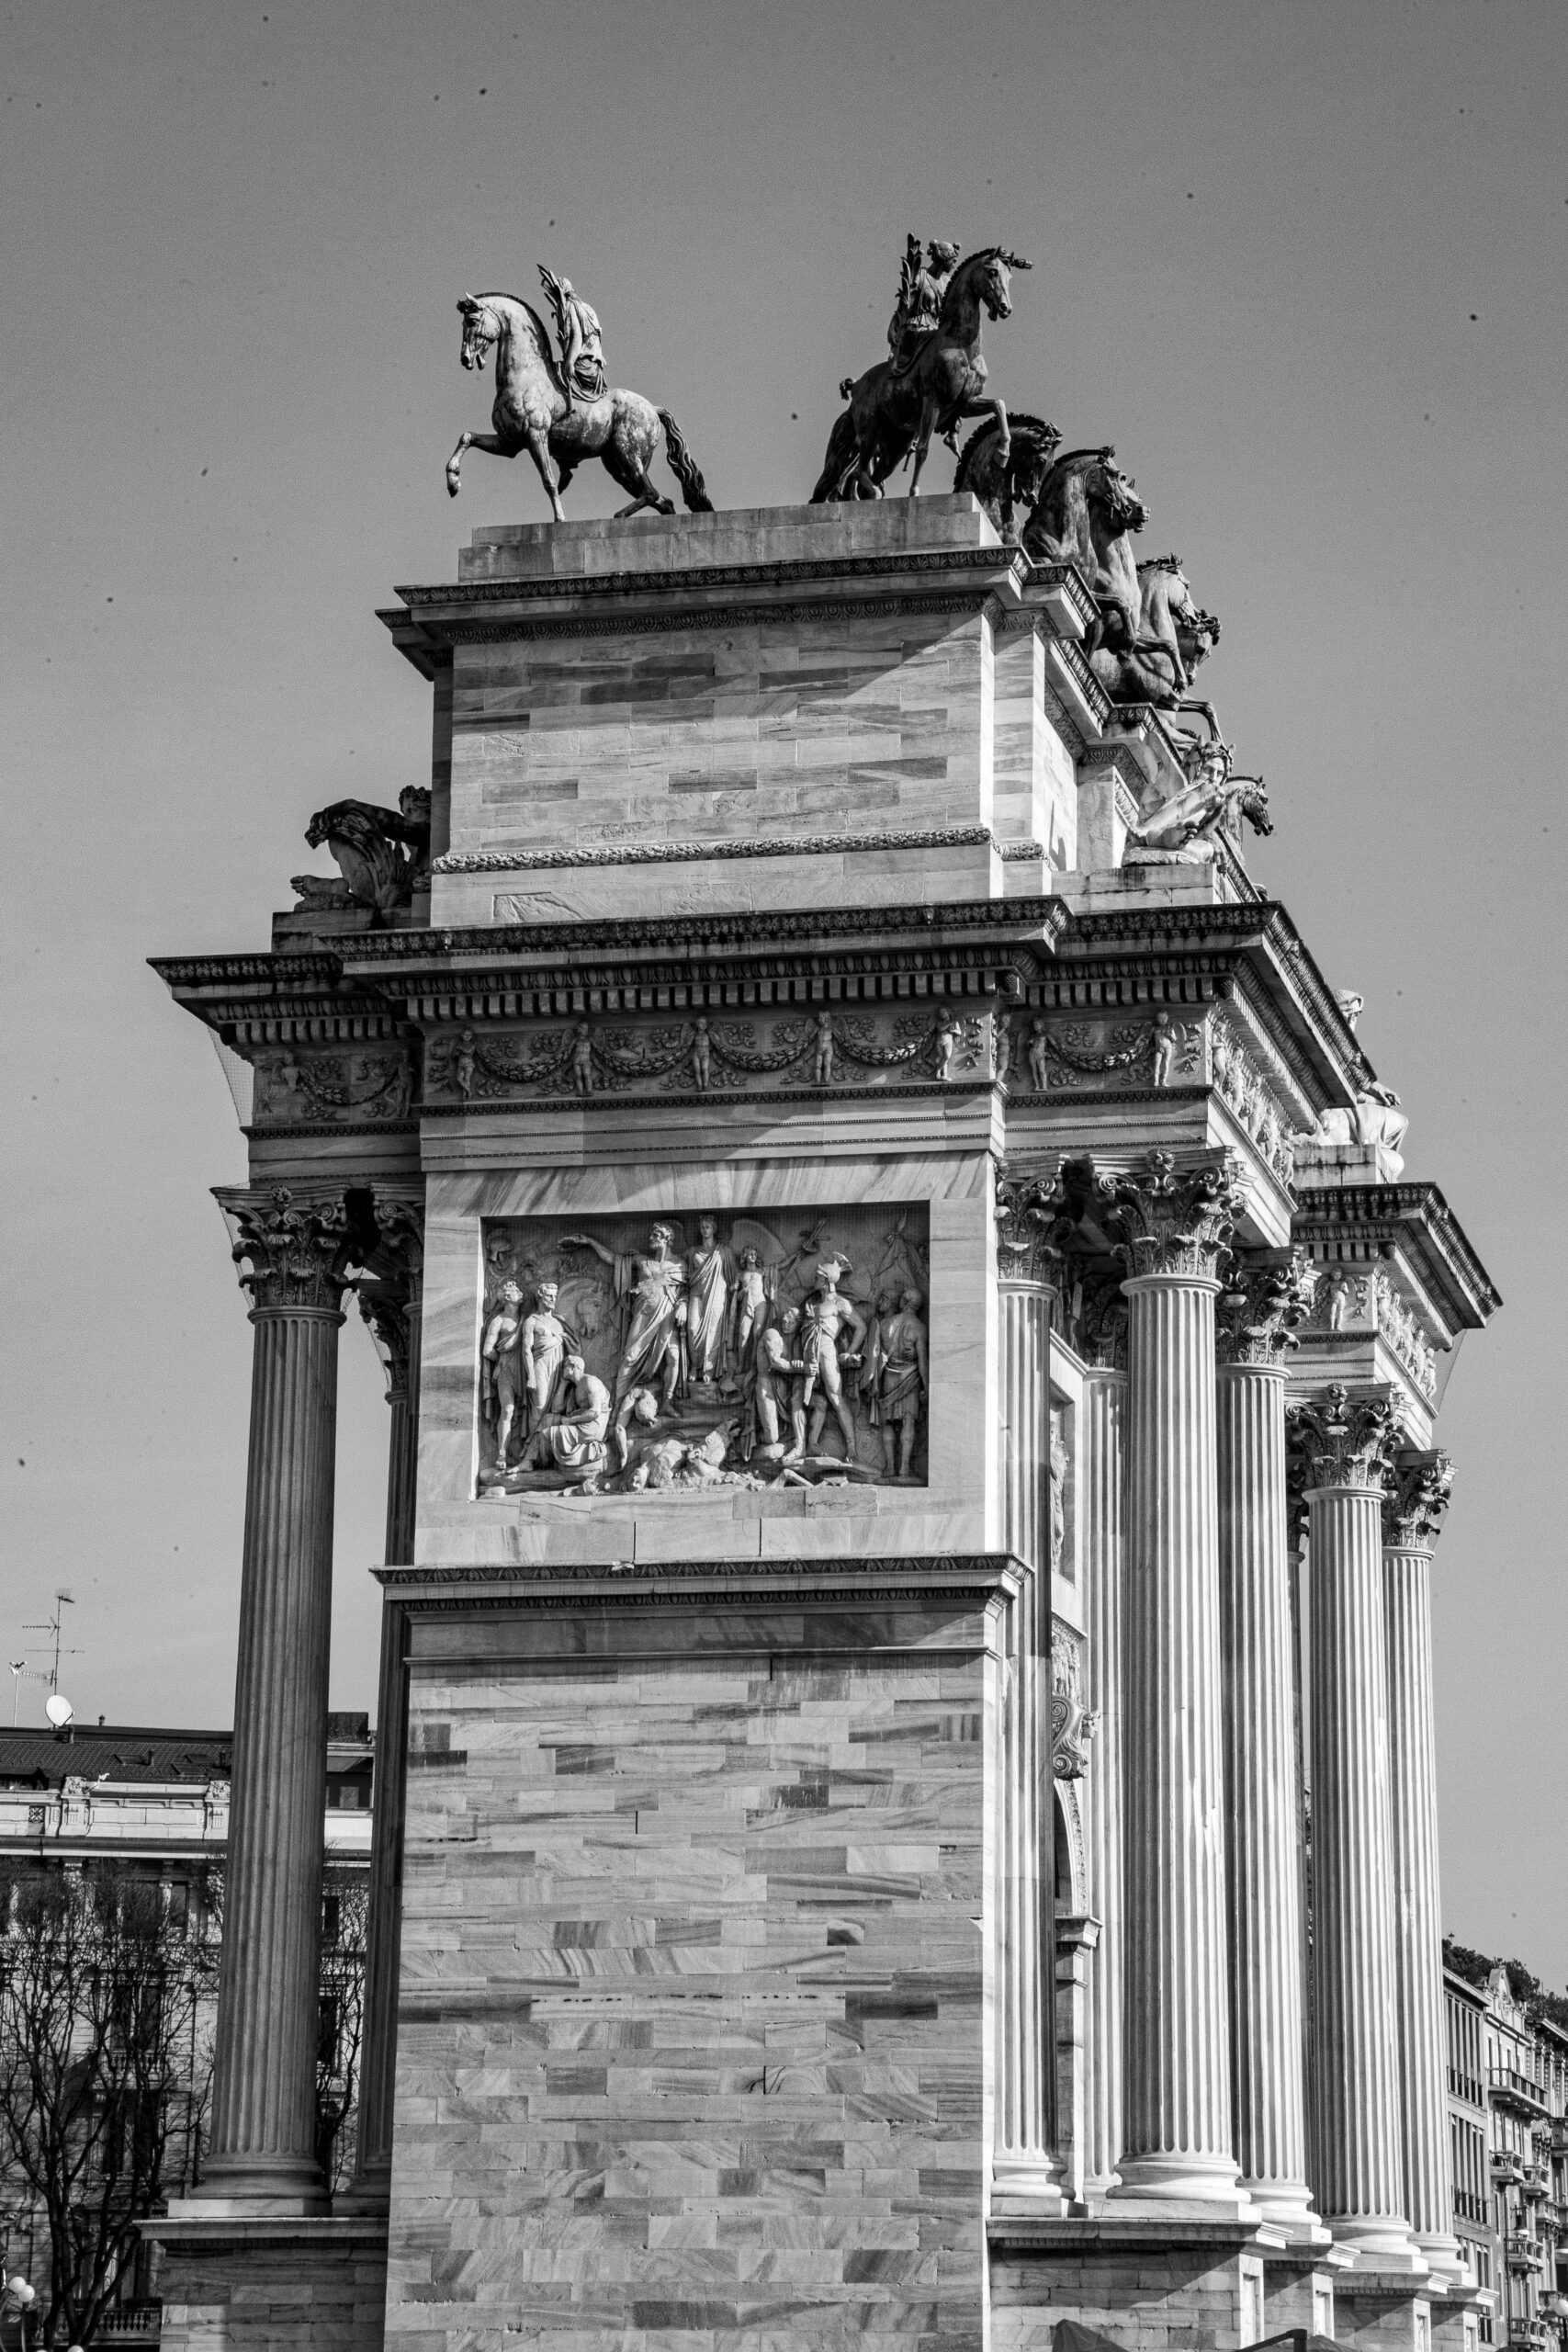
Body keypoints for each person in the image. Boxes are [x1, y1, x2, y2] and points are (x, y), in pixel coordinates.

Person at [561, 1224, 688, 1406]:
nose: (651, 1238)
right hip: (643, 1315)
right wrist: (589, 1242)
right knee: (629, 1357)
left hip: (667, 1316)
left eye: (655, 1235)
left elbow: (685, 1291)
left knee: (673, 1357)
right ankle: (617, 1405)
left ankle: (667, 1403)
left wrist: (683, 1304)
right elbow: (613, 1259)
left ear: (666, 1239)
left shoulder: (679, 1266)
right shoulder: (642, 1260)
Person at [795, 1260, 868, 1464]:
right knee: (804, 1398)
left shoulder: (839, 1303)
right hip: (807, 1353)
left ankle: (851, 1445)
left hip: (826, 1351)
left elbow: (861, 1327)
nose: (814, 1279)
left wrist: (849, 1352)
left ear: (827, 1281)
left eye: (818, 1277)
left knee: (835, 1398)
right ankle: (808, 1444)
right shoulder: (813, 1303)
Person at [865, 1287, 929, 1479]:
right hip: (911, 1376)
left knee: (888, 1423)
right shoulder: (919, 1327)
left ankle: (890, 1467)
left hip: (889, 1377)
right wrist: (926, 1386)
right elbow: (922, 1361)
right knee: (908, 1420)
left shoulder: (886, 1324)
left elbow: (876, 1354)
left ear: (905, 1301)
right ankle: (904, 1469)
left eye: (901, 1298)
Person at [519, 1352, 611, 1477]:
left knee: (548, 1433)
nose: (563, 1370)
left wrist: (570, 1421)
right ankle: (527, 1461)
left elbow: (595, 1412)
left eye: (565, 1366)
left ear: (575, 1367)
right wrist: (563, 1383)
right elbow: (556, 1409)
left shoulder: (590, 1382)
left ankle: (538, 1462)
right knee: (548, 1419)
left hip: (592, 1427)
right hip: (581, 1422)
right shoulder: (574, 1387)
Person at [540, 267, 607, 410]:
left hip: (583, 366)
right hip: (596, 368)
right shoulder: (587, 307)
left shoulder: (571, 306)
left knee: (550, 374)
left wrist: (570, 362)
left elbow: (577, 337)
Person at [480, 1281, 527, 1468]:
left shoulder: (524, 1318)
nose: (520, 1293)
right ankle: (502, 1453)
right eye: (516, 1291)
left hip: (523, 1369)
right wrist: (501, 1359)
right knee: (508, 1410)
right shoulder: (498, 1321)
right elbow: (487, 1350)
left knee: (527, 1411)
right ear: (507, 1297)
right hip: (505, 1370)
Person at [751, 1306, 806, 1459]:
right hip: (766, 1385)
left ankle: (800, 1444)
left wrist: (798, 1364)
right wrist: (802, 1368)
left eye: (791, 1322)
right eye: (784, 1321)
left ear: (797, 1325)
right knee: (771, 1438)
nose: (786, 1325)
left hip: (783, 1387)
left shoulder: (794, 1343)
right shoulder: (772, 1334)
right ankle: (748, 1438)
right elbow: (775, 1362)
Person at [519, 1282, 572, 1439]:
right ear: (540, 1297)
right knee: (539, 1405)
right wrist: (531, 1376)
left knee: (557, 1406)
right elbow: (526, 1350)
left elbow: (572, 1345)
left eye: (555, 1296)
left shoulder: (559, 1321)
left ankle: (547, 1444)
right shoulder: (531, 1321)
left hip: (558, 1365)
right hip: (540, 1365)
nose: (553, 1299)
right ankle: (532, 1446)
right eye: (549, 1296)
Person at [685, 1216, 733, 1387]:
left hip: (717, 1294)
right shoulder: (692, 1251)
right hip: (696, 1292)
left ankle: (708, 1368)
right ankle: (694, 1365)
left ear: (714, 1229)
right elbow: (681, 1272)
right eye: (702, 1227)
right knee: (692, 1328)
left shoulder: (724, 1251)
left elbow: (733, 1276)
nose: (705, 1230)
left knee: (713, 1331)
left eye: (708, 1227)